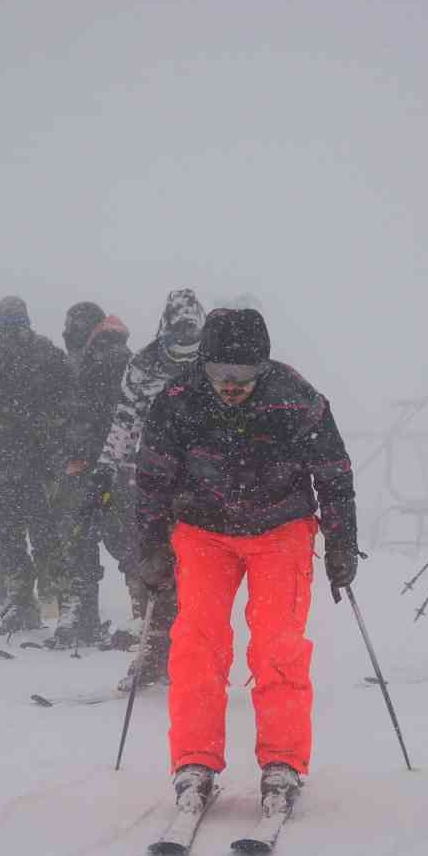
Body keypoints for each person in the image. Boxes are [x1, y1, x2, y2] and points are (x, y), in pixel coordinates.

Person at [134, 307, 357, 811]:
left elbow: (334, 476)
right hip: (203, 530)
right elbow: (151, 481)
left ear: (263, 366)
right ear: (203, 367)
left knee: (278, 643)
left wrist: (341, 543)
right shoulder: (177, 401)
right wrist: (150, 546)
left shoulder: (296, 400)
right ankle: (194, 760)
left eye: (244, 375)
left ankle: (282, 761)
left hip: (281, 528)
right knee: (198, 642)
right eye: (219, 374)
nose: (231, 385)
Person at [92, 288, 206, 687]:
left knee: (200, 572)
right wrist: (105, 469)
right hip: (154, 477)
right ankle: (154, 651)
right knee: (152, 563)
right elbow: (126, 420)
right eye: (179, 332)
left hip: (206, 480)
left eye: (192, 333)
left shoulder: (213, 361)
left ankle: (196, 655)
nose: (185, 342)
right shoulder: (143, 365)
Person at [0, 295, 70, 633]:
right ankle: (21, 601)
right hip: (0, 464)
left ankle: (60, 602)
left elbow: (68, 398)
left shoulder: (46, 354)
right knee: (4, 537)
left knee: (47, 536)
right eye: (4, 327)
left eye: (16, 326)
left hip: (39, 463)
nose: (10, 333)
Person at [47, 312, 134, 649]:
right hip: (120, 469)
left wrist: (74, 454)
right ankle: (145, 616)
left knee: (82, 541)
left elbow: (84, 415)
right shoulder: (125, 359)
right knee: (125, 542)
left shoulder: (94, 362)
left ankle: (82, 618)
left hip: (93, 468)